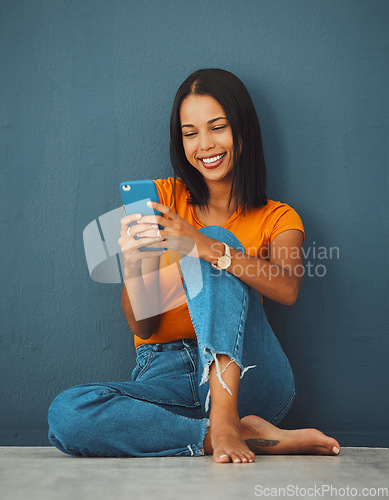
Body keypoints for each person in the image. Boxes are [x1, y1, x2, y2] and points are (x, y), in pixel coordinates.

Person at [48, 68, 341, 463]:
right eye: (190, 133)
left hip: (251, 376)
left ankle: (225, 418)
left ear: (242, 131)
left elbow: (288, 288)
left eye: (217, 127)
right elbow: (143, 326)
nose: (205, 145)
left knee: (217, 245)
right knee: (67, 414)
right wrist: (134, 268)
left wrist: (204, 245)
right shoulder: (164, 199)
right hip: (166, 372)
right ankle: (231, 434)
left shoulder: (279, 217)